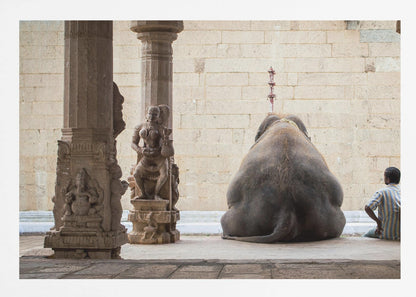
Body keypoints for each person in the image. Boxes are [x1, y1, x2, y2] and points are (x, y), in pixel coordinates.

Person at [364, 167, 401, 240]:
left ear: (387, 179)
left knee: (365, 236)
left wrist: (378, 222)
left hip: (386, 233)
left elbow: (367, 207)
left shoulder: (382, 192)